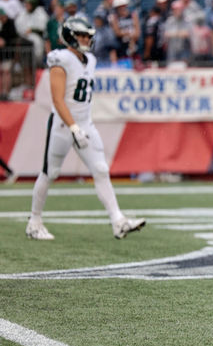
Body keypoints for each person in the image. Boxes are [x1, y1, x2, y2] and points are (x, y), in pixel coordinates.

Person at [26, 16, 146, 240]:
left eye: (88, 36)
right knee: (50, 173)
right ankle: (34, 221)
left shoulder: (89, 60)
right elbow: (58, 99)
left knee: (100, 169)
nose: (86, 39)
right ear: (70, 36)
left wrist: (80, 126)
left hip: (85, 123)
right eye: (81, 35)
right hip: (63, 124)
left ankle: (118, 221)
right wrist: (73, 127)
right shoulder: (60, 59)